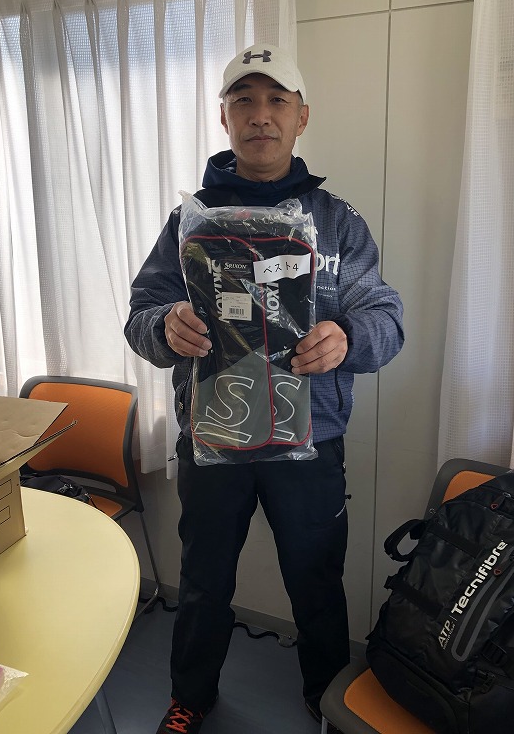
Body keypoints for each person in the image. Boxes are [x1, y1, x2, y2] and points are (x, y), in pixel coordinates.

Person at [124, 43, 404, 734]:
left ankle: (325, 699)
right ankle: (191, 697)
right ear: (223, 117)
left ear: (302, 117)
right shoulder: (189, 222)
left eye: (277, 100)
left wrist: (348, 338)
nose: (260, 115)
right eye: (243, 101)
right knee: (203, 582)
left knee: (316, 581)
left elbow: (386, 317)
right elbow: (141, 317)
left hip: (311, 443)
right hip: (212, 438)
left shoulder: (336, 221)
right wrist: (166, 327)